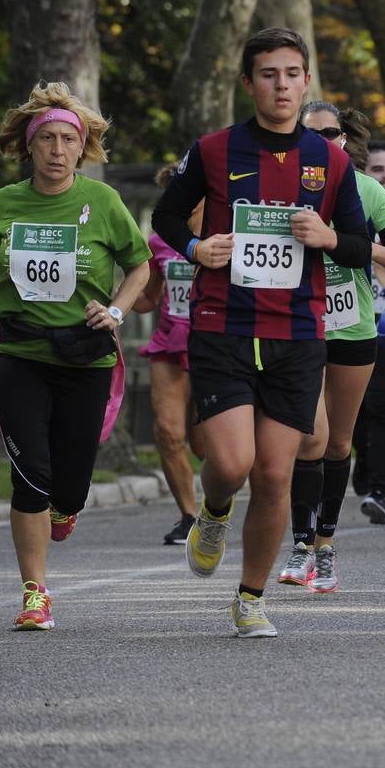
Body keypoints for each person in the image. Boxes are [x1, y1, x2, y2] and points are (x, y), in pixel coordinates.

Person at [151, 27, 370, 637]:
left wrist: (328, 239)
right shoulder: (216, 150)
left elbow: (358, 244)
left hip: (297, 331)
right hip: (223, 324)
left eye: (292, 73)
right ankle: (213, 512)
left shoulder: (331, 161)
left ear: (306, 81)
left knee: (274, 473)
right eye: (269, 74)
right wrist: (198, 246)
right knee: (231, 460)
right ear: (249, 83)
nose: (281, 84)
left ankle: (250, 599)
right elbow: (165, 214)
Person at [0, 81, 151, 630]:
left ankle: (65, 509)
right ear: (30, 145)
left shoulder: (104, 202)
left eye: (69, 139)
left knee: (70, 485)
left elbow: (139, 268)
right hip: (20, 353)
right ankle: (35, 594)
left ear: (82, 147)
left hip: (84, 357)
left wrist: (115, 312)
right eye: (47, 139)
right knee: (30, 478)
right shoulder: (3, 203)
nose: (58, 149)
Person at [277, 103, 385, 593]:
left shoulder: (367, 190)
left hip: (352, 327)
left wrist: (353, 243)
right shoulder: (275, 187)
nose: (321, 141)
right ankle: (300, 545)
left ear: (344, 139)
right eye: (309, 133)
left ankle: (325, 546)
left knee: (339, 442)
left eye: (330, 132)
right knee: (310, 438)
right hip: (298, 330)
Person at [135, 165, 206, 545]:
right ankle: (188, 516)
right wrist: (113, 302)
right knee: (168, 432)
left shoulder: (230, 231)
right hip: (170, 343)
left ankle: (215, 512)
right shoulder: (160, 238)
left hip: (214, 346)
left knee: (204, 444)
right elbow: (147, 297)